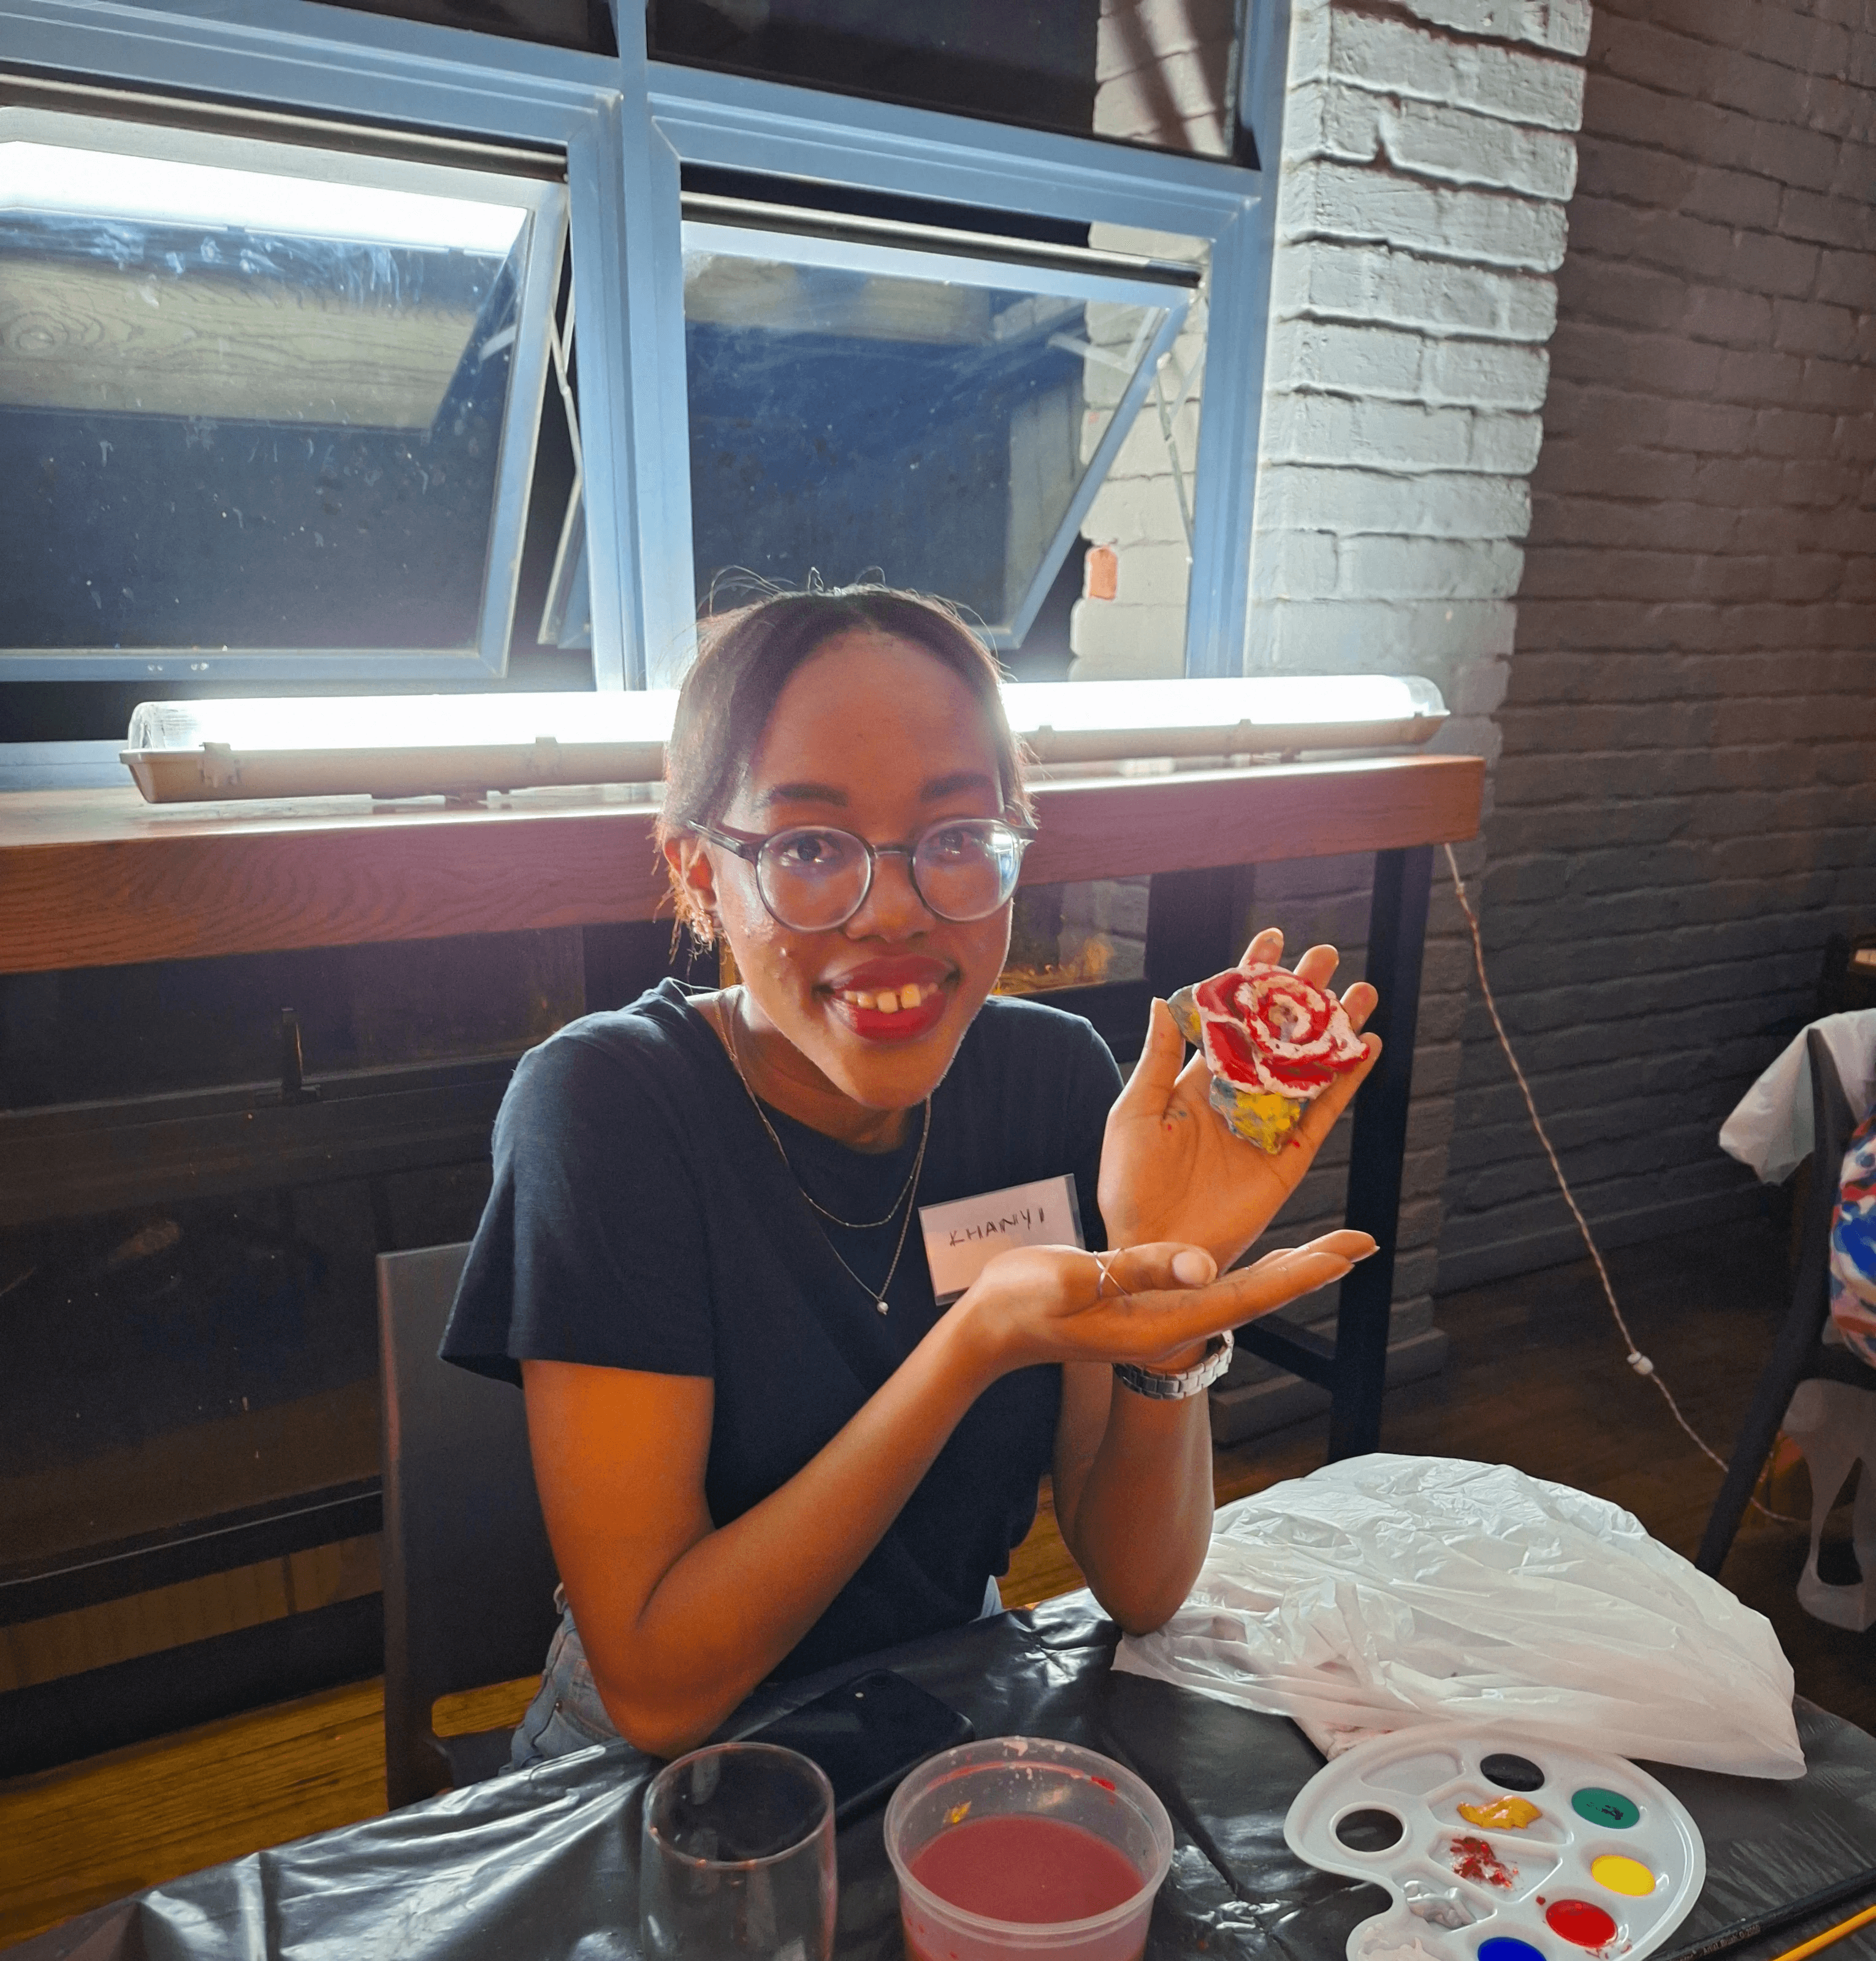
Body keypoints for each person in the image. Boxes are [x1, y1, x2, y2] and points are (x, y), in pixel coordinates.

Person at [441, 586, 1379, 1762]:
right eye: (810, 847)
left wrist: (1158, 1326)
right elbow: (657, 1688)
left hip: (945, 1704)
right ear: (698, 873)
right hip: (658, 1777)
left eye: (954, 839)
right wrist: (969, 1347)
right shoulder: (608, 1108)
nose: (894, 910)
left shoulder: (1048, 1080)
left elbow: (1141, 1588)